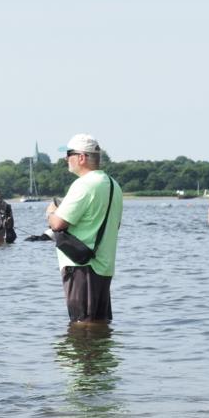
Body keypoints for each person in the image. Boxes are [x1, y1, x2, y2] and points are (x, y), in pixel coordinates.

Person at [45, 134, 123, 324]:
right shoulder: (114, 185)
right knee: (99, 325)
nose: (66, 159)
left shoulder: (84, 184)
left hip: (82, 267)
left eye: (69, 154)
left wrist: (51, 212)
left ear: (82, 157)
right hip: (104, 266)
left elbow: (57, 224)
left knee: (82, 326)